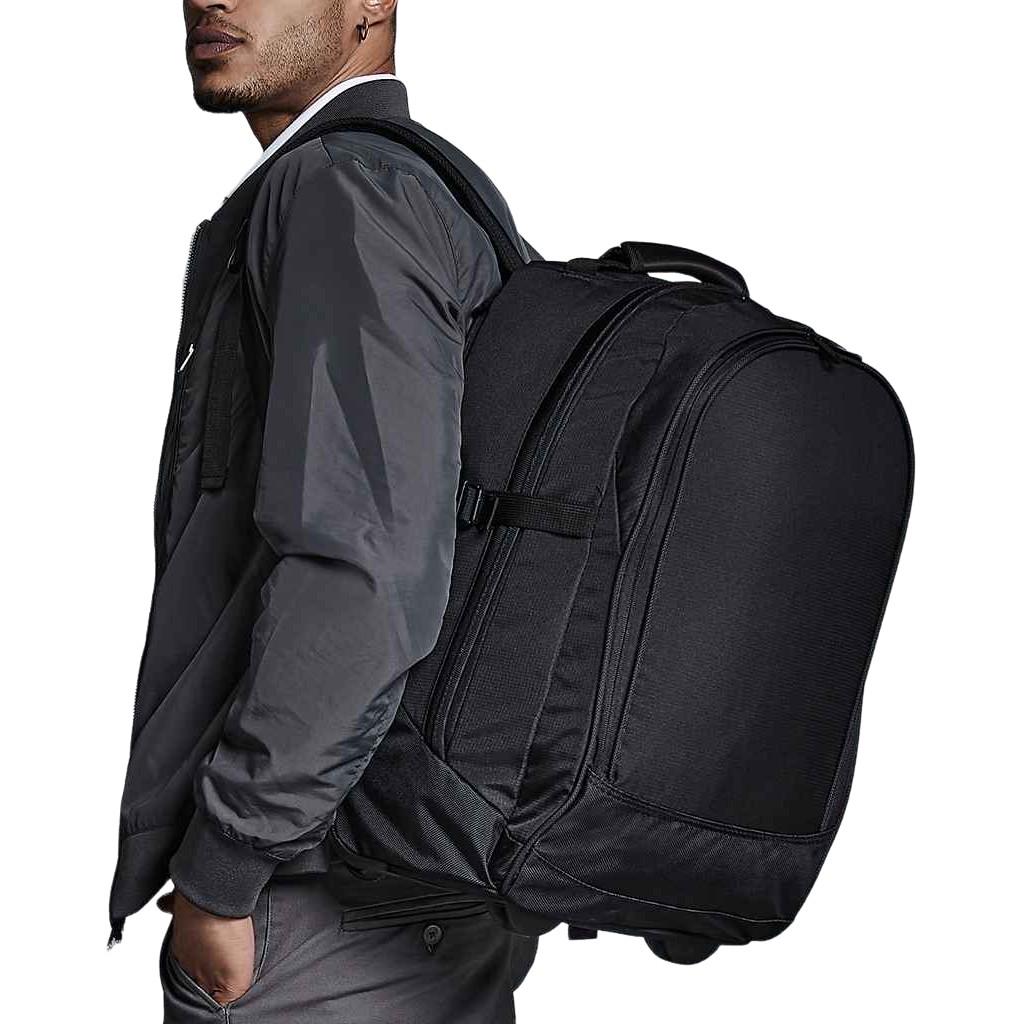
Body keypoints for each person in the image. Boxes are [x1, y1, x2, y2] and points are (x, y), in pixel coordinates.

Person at [109, 1, 540, 1020]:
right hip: (416, 877)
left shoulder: (344, 189)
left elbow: (368, 568)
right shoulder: (437, 190)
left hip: (314, 906)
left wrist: (226, 867)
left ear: (372, 6)